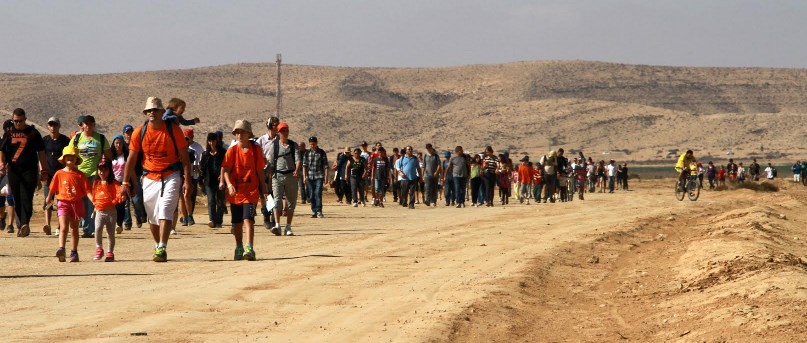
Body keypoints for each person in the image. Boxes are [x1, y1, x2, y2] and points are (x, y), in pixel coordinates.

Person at [121, 97, 192, 262]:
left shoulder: (173, 130)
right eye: (149, 110)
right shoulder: (140, 132)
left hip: (171, 174)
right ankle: (157, 243)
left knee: (165, 209)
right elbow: (131, 159)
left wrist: (187, 181)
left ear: (162, 112)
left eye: (155, 110)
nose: (152, 113)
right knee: (152, 216)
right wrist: (125, 182)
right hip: (149, 176)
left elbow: (185, 159)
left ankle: (162, 247)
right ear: (146, 113)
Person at [0, 108, 48, 237]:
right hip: (14, 170)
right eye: (15, 121)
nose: (18, 124)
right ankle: (21, 225)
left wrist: (44, 169)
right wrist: (2, 163)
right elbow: (2, 149)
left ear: (25, 119)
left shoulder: (33, 132)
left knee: (27, 196)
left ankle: (25, 223)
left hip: (30, 170)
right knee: (16, 198)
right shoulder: (9, 133)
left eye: (20, 121)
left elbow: (41, 152)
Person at [222, 120, 266, 261]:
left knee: (248, 220)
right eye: (237, 132)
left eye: (242, 132)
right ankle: (239, 246)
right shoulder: (232, 151)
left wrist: (264, 190)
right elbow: (226, 170)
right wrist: (229, 184)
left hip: (251, 191)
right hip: (236, 192)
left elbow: (260, 171)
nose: (239, 135)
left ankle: (249, 247)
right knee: (236, 223)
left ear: (249, 134)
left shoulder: (256, 150)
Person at [70, 115, 112, 238]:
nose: (87, 126)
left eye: (90, 123)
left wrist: (105, 172)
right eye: (85, 124)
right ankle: (83, 225)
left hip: (95, 175)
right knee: (80, 201)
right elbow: (69, 154)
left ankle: (90, 228)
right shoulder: (77, 138)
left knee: (92, 201)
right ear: (82, 125)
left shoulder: (101, 139)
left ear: (94, 124)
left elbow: (108, 157)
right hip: (79, 174)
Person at [47, 145, 90, 262]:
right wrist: (48, 198)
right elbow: (52, 188)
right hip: (63, 202)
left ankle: (74, 252)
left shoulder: (80, 175)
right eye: (68, 157)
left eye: (72, 156)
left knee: (74, 228)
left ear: (76, 159)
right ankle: (61, 248)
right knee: (64, 227)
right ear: (64, 159)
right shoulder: (59, 173)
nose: (70, 158)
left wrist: (94, 201)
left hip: (76, 203)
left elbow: (87, 191)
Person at [265, 122, 301, 236]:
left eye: (286, 130)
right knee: (276, 201)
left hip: (291, 176)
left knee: (291, 203)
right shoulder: (274, 146)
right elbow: (270, 163)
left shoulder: (293, 145)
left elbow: (298, 159)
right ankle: (277, 225)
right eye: (282, 131)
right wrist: (269, 179)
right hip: (277, 176)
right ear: (278, 132)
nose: (285, 133)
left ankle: (288, 227)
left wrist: (297, 170)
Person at [90, 157, 123, 262]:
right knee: (97, 230)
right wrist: (95, 207)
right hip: (99, 211)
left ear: (109, 170)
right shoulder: (96, 183)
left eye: (105, 170)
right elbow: (94, 196)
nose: (102, 172)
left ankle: (110, 252)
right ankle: (99, 248)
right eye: (100, 170)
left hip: (111, 212)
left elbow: (119, 194)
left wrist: (114, 201)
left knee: (110, 233)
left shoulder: (114, 183)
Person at [42, 117, 71, 235]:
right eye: (50, 125)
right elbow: (41, 156)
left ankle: (59, 226)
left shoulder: (65, 140)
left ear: (59, 126)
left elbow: (69, 156)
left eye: (55, 125)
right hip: (48, 174)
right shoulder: (45, 140)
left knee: (61, 201)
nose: (53, 128)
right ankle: (47, 225)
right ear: (48, 127)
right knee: (48, 200)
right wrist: (42, 170)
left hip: (61, 175)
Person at [254, 117, 280, 228]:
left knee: (275, 195)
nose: (277, 127)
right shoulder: (261, 140)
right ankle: (266, 216)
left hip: (276, 170)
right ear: (269, 125)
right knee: (266, 195)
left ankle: (274, 219)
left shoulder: (279, 140)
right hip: (263, 171)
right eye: (275, 125)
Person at [200, 132, 226, 228]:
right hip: (209, 181)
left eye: (213, 141)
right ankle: (212, 220)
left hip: (221, 181)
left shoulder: (223, 152)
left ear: (217, 141)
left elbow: (226, 165)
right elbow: (202, 168)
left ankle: (219, 221)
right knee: (211, 200)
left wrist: (223, 176)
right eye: (210, 141)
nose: (212, 143)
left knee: (221, 201)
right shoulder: (205, 154)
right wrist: (201, 180)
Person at [179, 129, 203, 226]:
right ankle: (185, 217)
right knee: (181, 197)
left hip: (189, 176)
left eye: (186, 140)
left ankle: (189, 215)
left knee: (187, 196)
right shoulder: (177, 151)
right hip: (179, 176)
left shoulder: (191, 152)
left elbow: (193, 165)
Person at [302, 136, 328, 218]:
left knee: (318, 193)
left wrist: (326, 176)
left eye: (313, 144)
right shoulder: (307, 153)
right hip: (309, 176)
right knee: (311, 194)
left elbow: (326, 166)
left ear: (316, 143)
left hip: (319, 176)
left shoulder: (321, 152)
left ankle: (319, 210)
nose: (312, 146)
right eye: (310, 144)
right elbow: (304, 166)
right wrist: (304, 176)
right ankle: (313, 211)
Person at [110, 134, 131, 232]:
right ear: (113, 144)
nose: (118, 145)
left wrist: (130, 183)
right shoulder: (110, 156)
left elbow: (131, 170)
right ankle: (112, 223)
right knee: (113, 204)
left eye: (120, 143)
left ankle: (119, 224)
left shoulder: (127, 155)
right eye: (116, 143)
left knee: (121, 204)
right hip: (112, 182)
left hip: (123, 182)